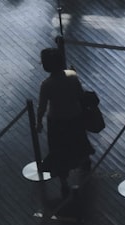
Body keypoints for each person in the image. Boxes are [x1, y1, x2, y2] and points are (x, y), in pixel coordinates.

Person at [36, 47, 93, 197]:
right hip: (74, 116)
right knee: (79, 141)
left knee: (59, 152)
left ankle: (64, 183)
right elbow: (80, 94)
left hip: (57, 121)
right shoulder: (72, 76)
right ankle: (85, 161)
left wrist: (38, 122)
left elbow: (42, 107)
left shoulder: (46, 85)